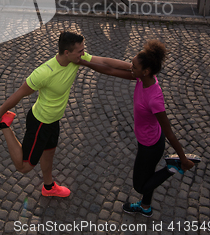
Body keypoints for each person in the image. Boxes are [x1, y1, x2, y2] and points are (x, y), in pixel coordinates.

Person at [81, 39, 199, 218]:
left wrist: (183, 159)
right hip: (148, 139)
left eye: (134, 66)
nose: (130, 68)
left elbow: (169, 132)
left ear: (146, 71)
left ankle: (172, 168)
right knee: (148, 176)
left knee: (140, 185)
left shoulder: (154, 99)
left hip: (151, 146)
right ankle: (145, 207)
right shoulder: (142, 78)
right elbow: (111, 69)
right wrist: (84, 62)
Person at [0, 30, 108, 197]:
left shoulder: (74, 60)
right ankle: (5, 124)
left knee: (49, 154)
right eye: (80, 51)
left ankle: (49, 186)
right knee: (24, 167)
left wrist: (131, 68)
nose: (84, 53)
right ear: (67, 53)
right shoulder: (44, 72)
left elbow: (104, 61)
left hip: (53, 121)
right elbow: (19, 93)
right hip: (40, 123)